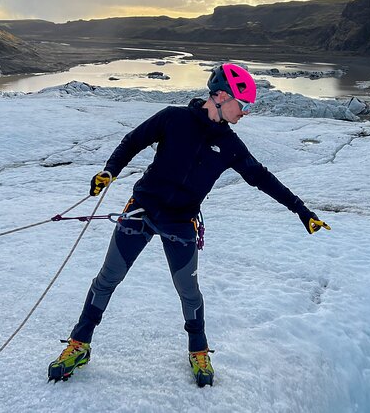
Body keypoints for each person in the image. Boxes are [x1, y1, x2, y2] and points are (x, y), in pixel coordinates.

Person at [47, 63, 330, 387]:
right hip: (141, 212)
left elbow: (263, 179)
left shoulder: (230, 146)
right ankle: (79, 345)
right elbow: (133, 141)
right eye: (244, 104)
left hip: (181, 223)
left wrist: (302, 211)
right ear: (222, 96)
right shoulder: (174, 119)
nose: (247, 112)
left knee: (189, 293)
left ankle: (198, 349)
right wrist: (110, 171)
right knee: (107, 279)